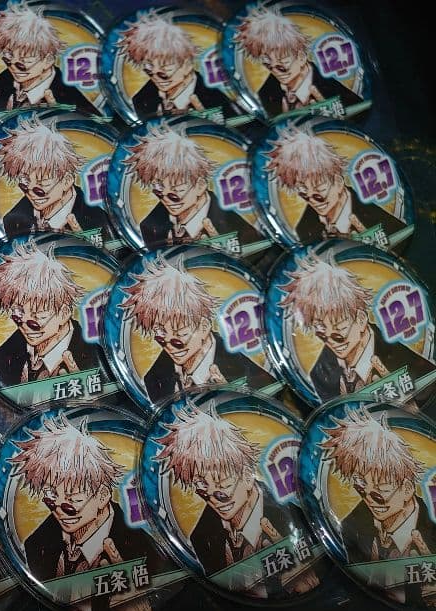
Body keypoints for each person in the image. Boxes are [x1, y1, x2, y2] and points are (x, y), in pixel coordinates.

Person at [153, 404, 319, 596]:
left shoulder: (297, 517)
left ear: (247, 476)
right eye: (201, 484)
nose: (213, 495)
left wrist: (303, 579)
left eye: (221, 481)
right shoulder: (201, 536)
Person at [11, 414, 166, 609]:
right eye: (51, 495)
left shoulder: (144, 546)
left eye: (73, 498)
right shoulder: (37, 543)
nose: (60, 510)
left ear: (103, 496)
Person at [120, 256, 276, 404]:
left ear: (204, 326)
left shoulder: (247, 371)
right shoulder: (153, 378)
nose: (170, 344)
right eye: (159, 332)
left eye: (180, 331)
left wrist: (236, 401)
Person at [320, 408, 436, 607]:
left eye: (381, 490)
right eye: (361, 487)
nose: (370, 499)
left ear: (407, 489)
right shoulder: (350, 528)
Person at [278, 252, 430, 402]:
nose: (331, 338)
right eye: (320, 328)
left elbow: (426, 387)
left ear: (362, 319)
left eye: (339, 327)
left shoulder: (403, 357)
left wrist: (409, 405)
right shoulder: (321, 374)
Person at [123, 122, 259, 250]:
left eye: (176, 190)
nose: (166, 199)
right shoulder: (149, 226)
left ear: (200, 185)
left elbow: (253, 248)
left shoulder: (235, 226)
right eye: (158, 189)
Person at [0, 242, 98, 386]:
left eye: (38, 315)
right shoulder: (4, 355)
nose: (25, 325)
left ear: (64, 313)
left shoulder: (95, 356)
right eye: (18, 312)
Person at [265, 123, 405, 242]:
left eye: (319, 188)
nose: (312, 199)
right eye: (303, 191)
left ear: (338, 182)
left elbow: (400, 236)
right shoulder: (302, 230)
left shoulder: (378, 217)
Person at [233, 5, 361, 116]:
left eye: (282, 65)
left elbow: (360, 113)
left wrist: (337, 117)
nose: (276, 71)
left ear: (301, 56)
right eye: (268, 65)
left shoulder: (335, 89)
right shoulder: (265, 93)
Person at [0, 116, 110, 235]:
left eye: (42, 182)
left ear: (67, 181)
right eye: (25, 180)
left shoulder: (99, 221)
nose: (31, 192)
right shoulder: (13, 220)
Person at [0, 2, 101, 116]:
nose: (13, 65)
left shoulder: (71, 99)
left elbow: (97, 124)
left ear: (48, 60)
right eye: (8, 56)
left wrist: (63, 118)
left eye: (24, 59)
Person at [118, 11, 234, 119]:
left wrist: (215, 125)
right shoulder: (141, 99)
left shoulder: (217, 99)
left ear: (187, 64)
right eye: (149, 68)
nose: (156, 76)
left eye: (164, 68)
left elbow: (236, 123)